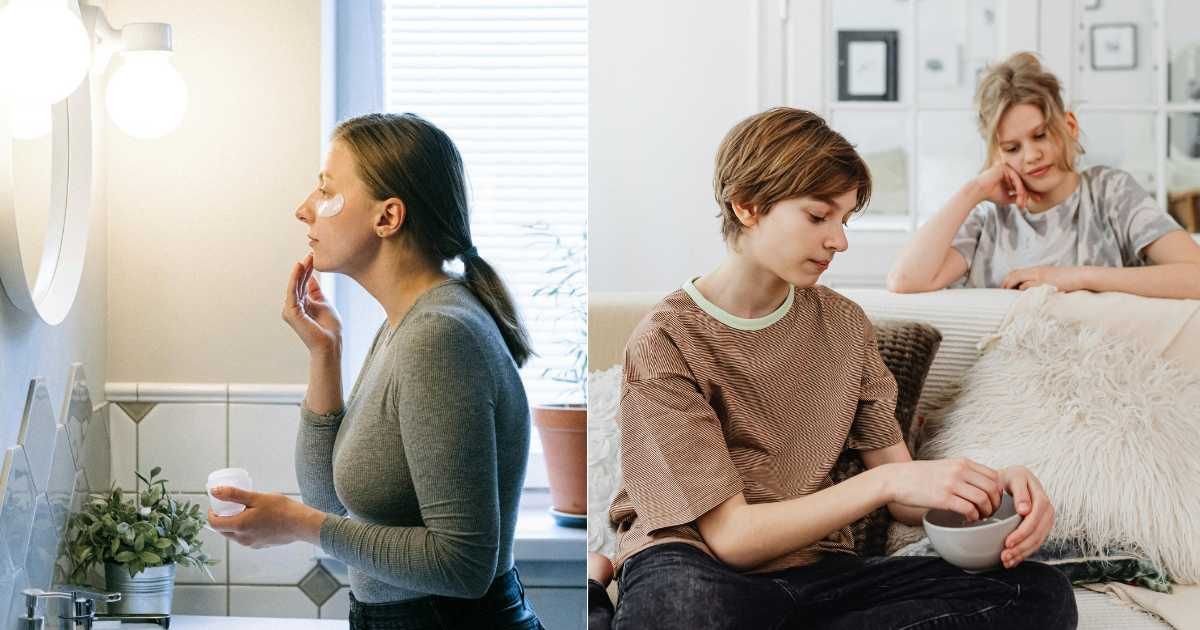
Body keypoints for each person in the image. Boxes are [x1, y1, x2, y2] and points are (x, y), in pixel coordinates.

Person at [587, 107, 1078, 629]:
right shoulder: (667, 340)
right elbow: (732, 539)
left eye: (845, 220)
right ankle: (595, 591)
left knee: (1038, 594)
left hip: (821, 575)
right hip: (698, 566)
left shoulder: (843, 325)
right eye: (819, 216)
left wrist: (991, 488)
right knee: (686, 614)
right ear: (748, 206)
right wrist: (885, 485)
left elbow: (905, 492)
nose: (839, 241)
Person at [207, 112, 544, 629]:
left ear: (387, 218)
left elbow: (464, 563)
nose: (304, 210)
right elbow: (333, 502)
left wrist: (297, 524)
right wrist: (326, 352)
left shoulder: (439, 335)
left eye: (325, 191)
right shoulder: (405, 323)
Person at [888, 52, 1200, 297]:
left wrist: (1075, 278)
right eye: (1012, 148)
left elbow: (1195, 276)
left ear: (1070, 126)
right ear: (997, 154)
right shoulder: (988, 219)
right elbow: (905, 280)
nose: (1031, 155)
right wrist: (974, 191)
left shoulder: (1110, 193)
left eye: (1040, 135)